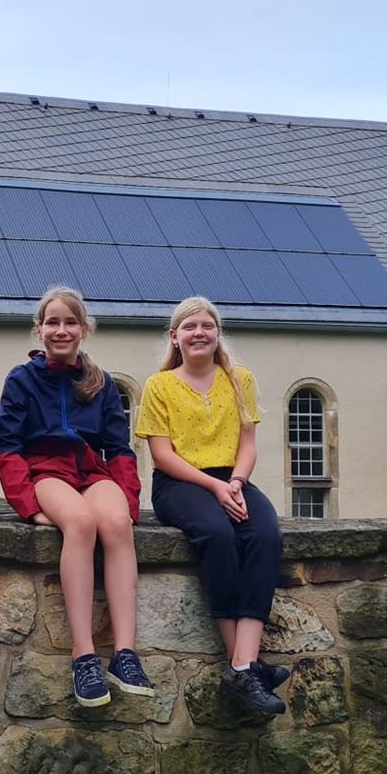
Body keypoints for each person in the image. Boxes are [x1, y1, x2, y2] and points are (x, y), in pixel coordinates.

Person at [0, 286, 154, 707]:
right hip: (45, 471)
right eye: (52, 322)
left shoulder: (100, 382)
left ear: (85, 329)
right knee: (80, 523)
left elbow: (118, 448)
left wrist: (128, 500)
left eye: (70, 322)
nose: (61, 330)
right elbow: (8, 447)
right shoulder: (22, 380)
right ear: (39, 330)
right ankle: (83, 655)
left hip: (90, 470)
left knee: (116, 523)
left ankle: (124, 653)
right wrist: (28, 505)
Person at [135, 296, 289, 716]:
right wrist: (214, 488)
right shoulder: (159, 385)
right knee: (218, 534)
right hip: (180, 482)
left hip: (232, 476)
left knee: (265, 533)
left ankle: (243, 665)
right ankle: (246, 668)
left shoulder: (240, 379)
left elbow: (248, 444)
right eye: (189, 327)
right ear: (175, 337)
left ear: (218, 333)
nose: (199, 333)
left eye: (207, 325)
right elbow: (162, 455)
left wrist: (235, 482)